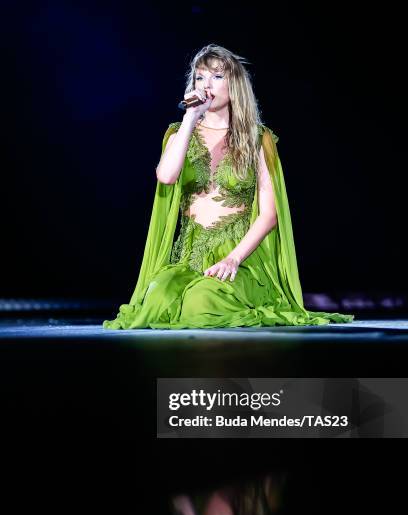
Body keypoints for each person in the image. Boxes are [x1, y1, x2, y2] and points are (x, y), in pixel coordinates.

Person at [103, 44, 354, 330]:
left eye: (217, 77)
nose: (206, 85)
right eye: (199, 77)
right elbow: (166, 176)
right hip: (190, 254)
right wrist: (190, 118)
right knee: (157, 298)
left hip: (240, 254)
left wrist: (233, 259)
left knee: (202, 301)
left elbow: (269, 214)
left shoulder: (258, 139)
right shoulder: (179, 133)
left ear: (234, 84)